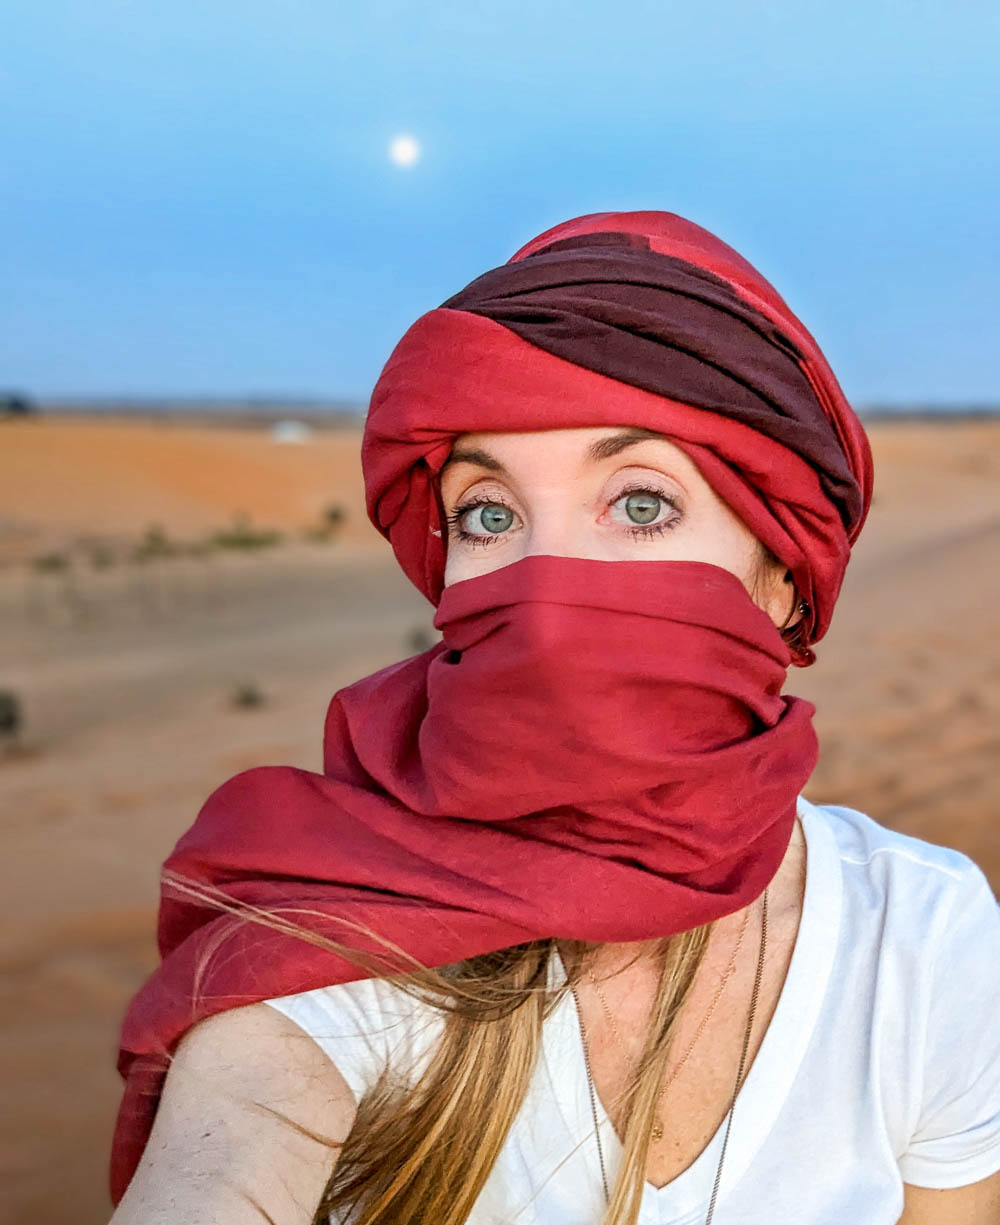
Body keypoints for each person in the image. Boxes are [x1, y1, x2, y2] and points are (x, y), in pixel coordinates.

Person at [107, 212, 1000, 1225]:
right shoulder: (336, 923)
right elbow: (237, 1134)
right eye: (489, 513)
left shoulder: (919, 938)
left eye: (641, 502)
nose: (545, 584)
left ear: (786, 577)